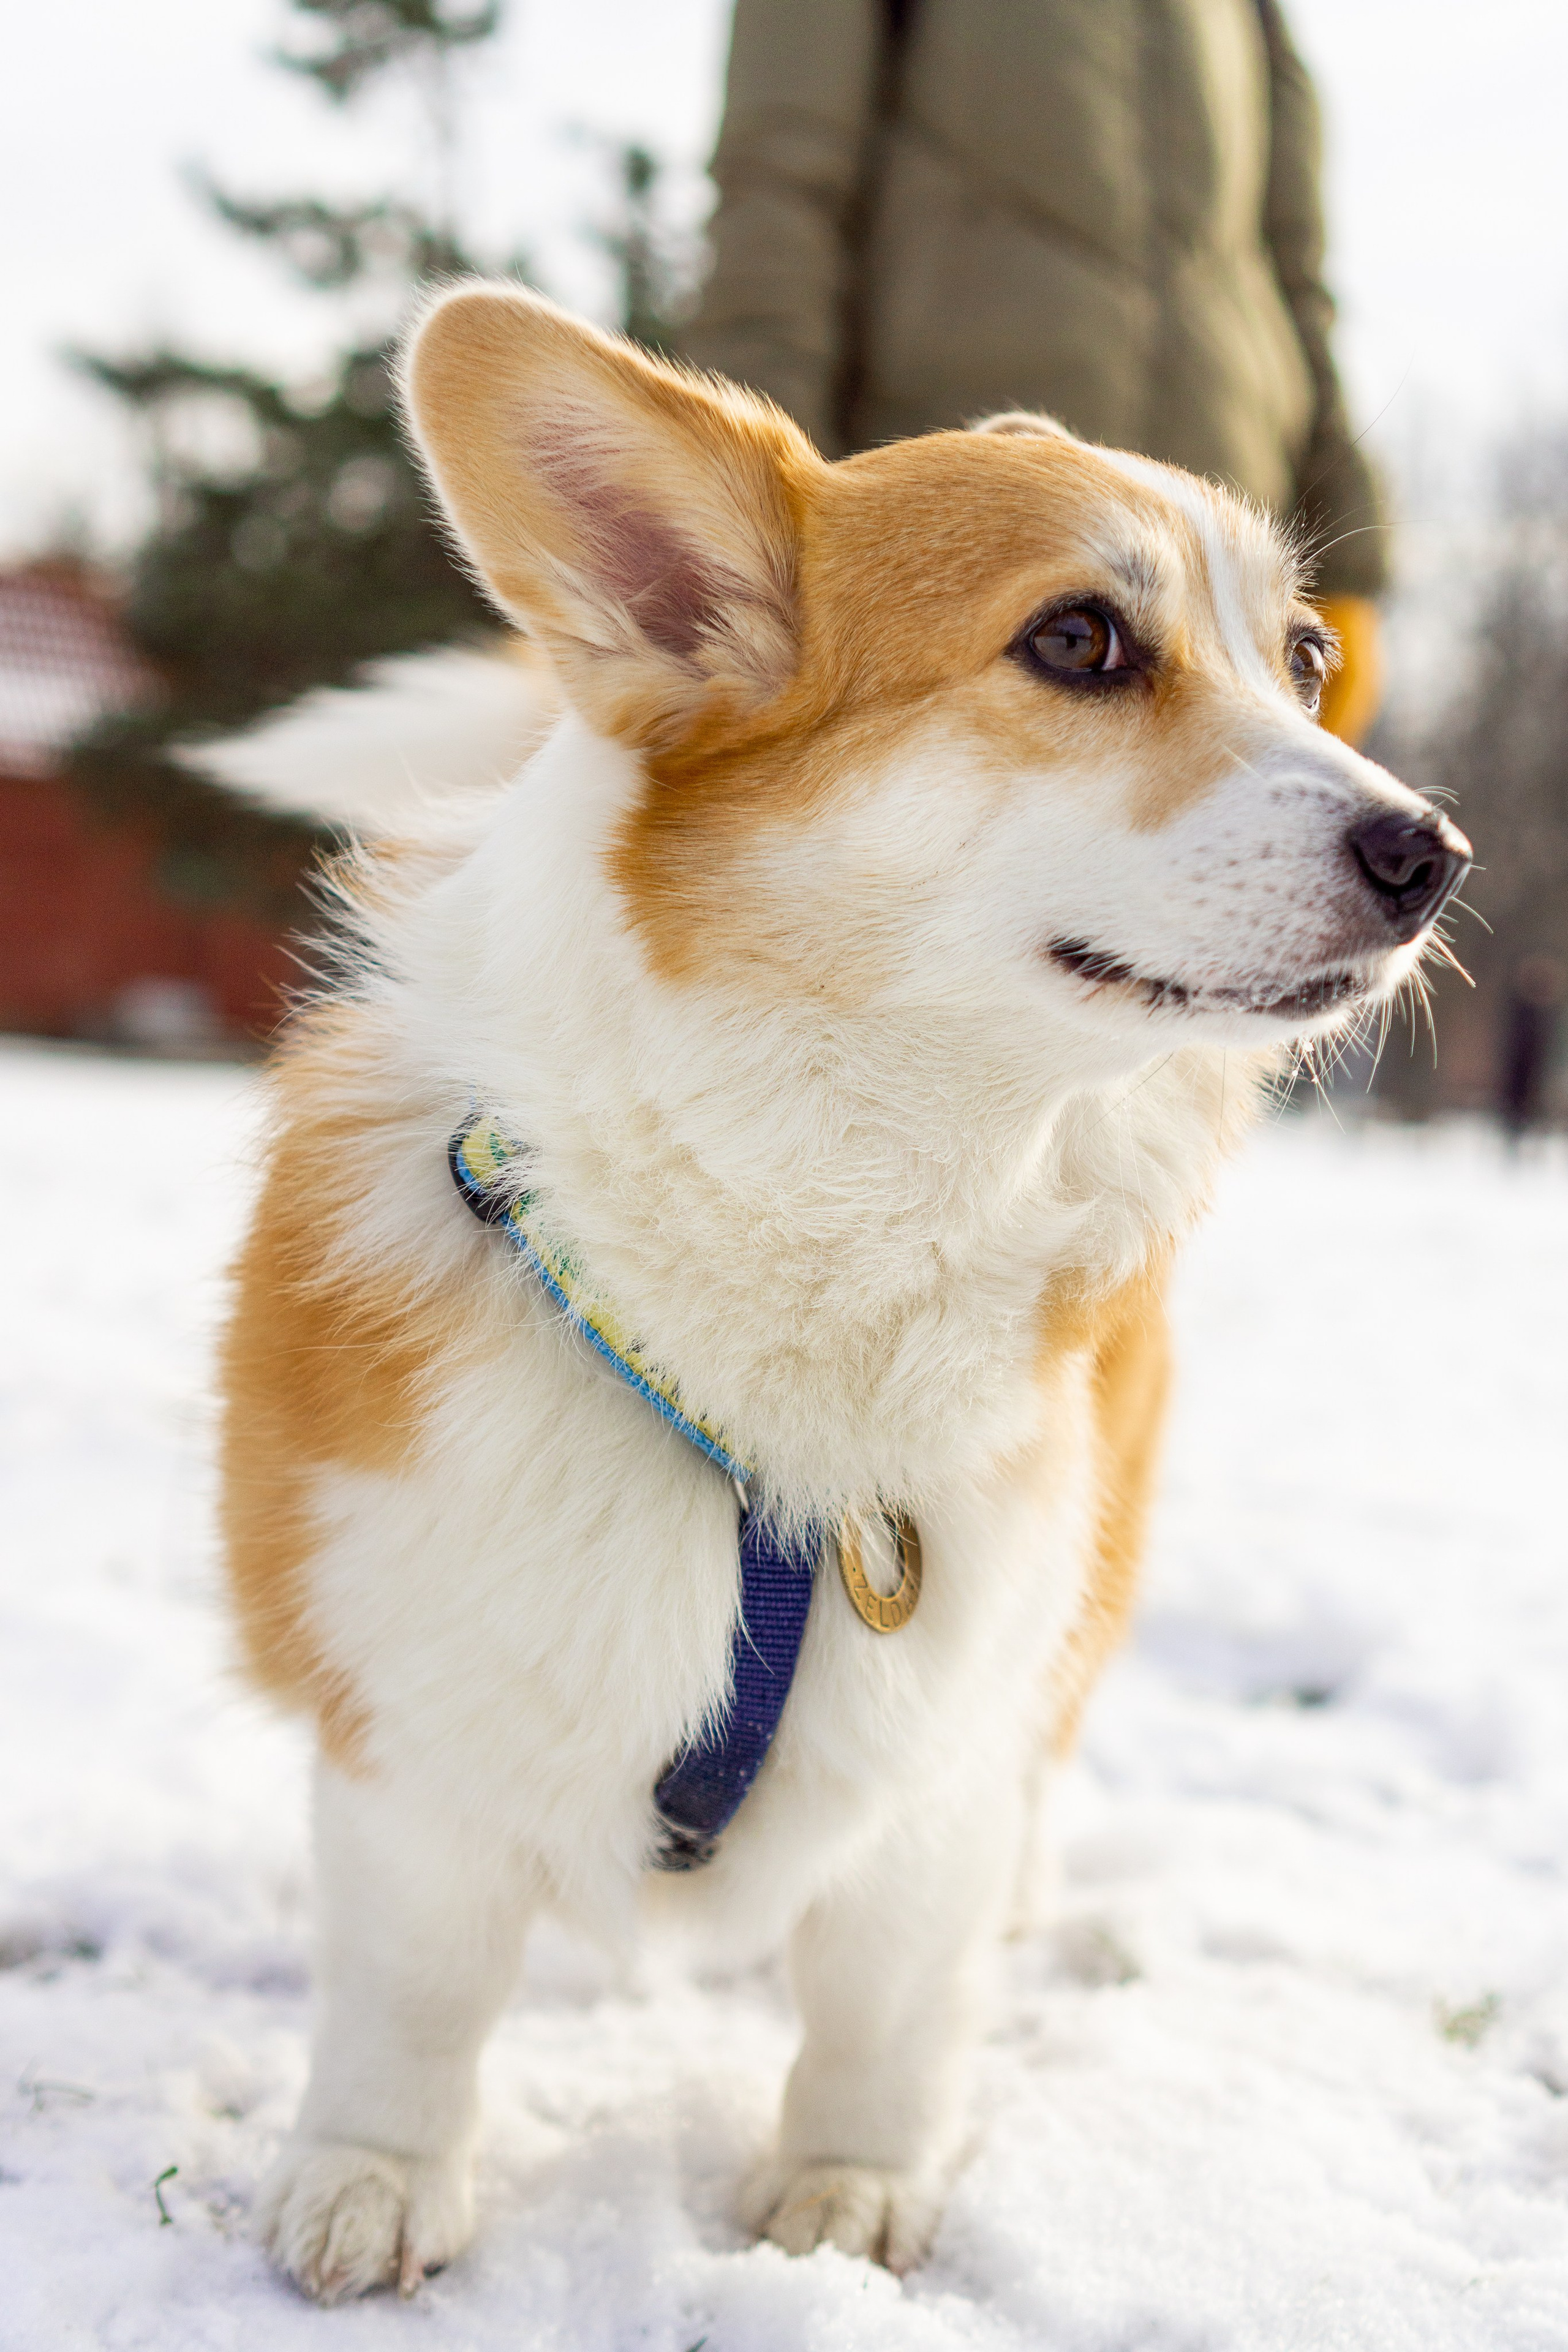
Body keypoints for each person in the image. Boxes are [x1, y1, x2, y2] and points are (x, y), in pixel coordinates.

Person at [682, 0, 1385, 742]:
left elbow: (1293, 263)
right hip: (965, 563)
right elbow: (781, 184)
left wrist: (1342, 554)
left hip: (1222, 522)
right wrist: (763, 523)